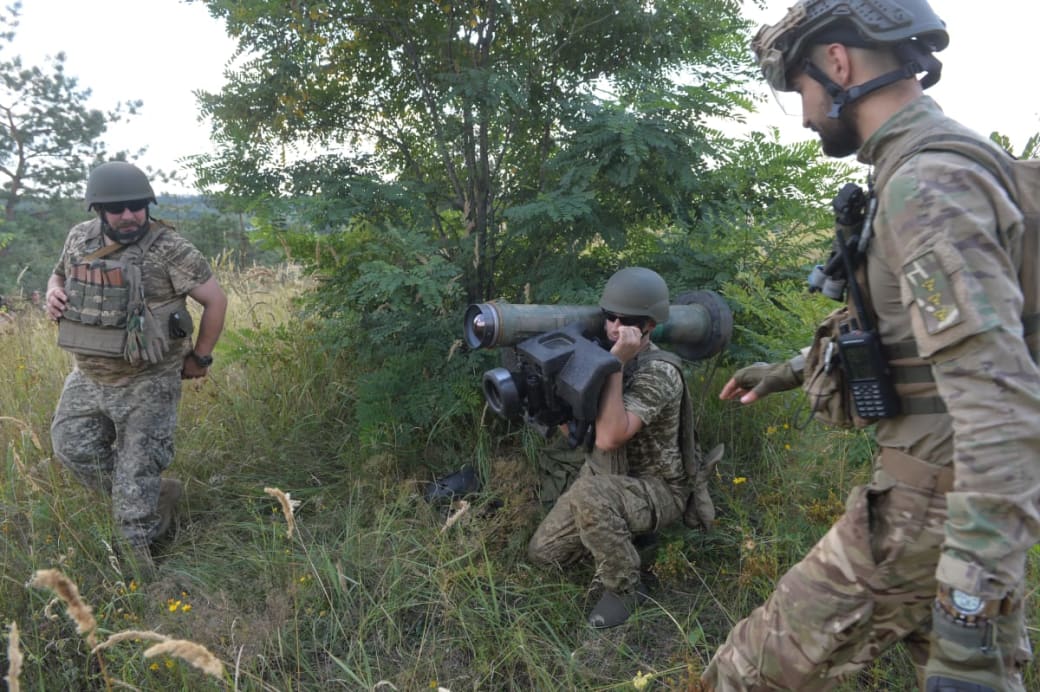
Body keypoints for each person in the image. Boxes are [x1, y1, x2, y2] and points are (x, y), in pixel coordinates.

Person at [700, 1, 1039, 690]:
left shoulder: (926, 185)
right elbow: (911, 338)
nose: (802, 115)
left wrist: (970, 610)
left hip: (933, 509)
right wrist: (791, 370)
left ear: (837, 63)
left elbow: (1002, 408)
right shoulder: (924, 170)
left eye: (799, 91)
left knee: (742, 675)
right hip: (949, 505)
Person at [45, 161, 228, 578]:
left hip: (149, 380)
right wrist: (53, 295)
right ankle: (156, 494)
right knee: (70, 448)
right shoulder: (80, 237)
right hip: (88, 376)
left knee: (136, 475)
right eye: (117, 208)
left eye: (137, 206)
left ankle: (141, 578)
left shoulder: (170, 249)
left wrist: (200, 358)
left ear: (148, 206)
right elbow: (58, 276)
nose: (129, 216)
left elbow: (215, 301)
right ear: (99, 211)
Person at [527, 267, 695, 628]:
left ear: (649, 325)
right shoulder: (596, 354)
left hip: (656, 486)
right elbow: (580, 434)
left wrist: (614, 364)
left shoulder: (658, 372)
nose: (615, 327)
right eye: (610, 317)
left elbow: (609, 438)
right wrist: (549, 402)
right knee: (544, 554)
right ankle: (624, 534)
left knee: (590, 494)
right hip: (607, 475)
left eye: (628, 320)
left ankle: (625, 587)